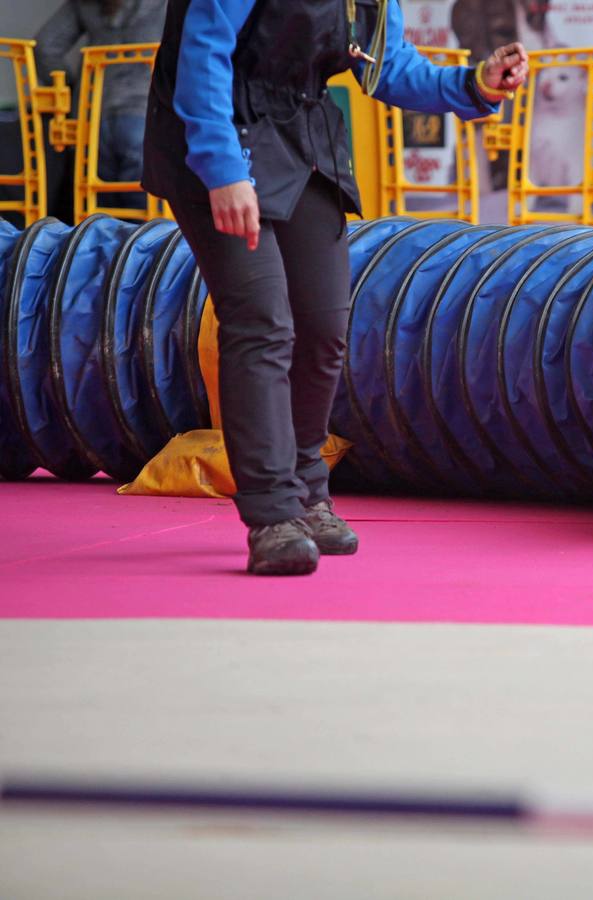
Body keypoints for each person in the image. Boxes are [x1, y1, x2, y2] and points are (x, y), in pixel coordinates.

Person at [141, 0, 527, 575]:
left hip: (301, 140)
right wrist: (222, 170)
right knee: (261, 324)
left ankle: (307, 492)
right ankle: (273, 514)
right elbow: (202, 54)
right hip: (215, 135)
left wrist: (473, 84)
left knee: (323, 329)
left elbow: (387, 66)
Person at [36, 0, 168, 210]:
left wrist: (71, 88)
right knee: (149, 218)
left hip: (92, 114)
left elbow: (44, 47)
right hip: (145, 113)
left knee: (102, 218)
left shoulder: (85, 4)